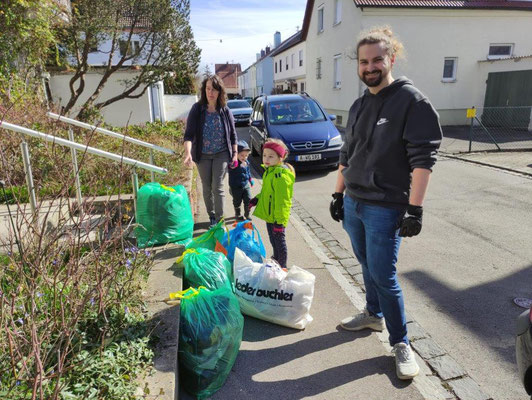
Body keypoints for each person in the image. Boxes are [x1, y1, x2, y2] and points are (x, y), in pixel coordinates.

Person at [329, 27, 442, 380]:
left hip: (385, 208)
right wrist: (337, 193)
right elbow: (348, 153)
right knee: (365, 263)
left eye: (377, 59)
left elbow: (423, 160)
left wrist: (415, 209)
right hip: (354, 203)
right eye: (364, 61)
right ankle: (372, 315)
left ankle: (401, 342)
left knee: (384, 275)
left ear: (391, 58)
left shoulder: (411, 101)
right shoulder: (360, 103)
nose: (370, 67)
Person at [183, 75, 238, 226]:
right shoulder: (197, 109)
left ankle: (220, 220)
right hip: (203, 155)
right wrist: (188, 153)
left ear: (220, 92)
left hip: (221, 154)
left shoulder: (225, 111)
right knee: (206, 187)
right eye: (208, 89)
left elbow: (233, 135)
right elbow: (188, 135)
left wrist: (234, 154)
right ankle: (211, 215)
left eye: (214, 89)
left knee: (217, 186)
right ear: (204, 90)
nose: (210, 92)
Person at [249, 139, 295, 269]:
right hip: (270, 216)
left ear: (280, 158)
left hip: (277, 217)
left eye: (271, 156)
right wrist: (256, 200)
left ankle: (282, 267)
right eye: (264, 155)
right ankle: (276, 261)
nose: (266, 159)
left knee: (279, 243)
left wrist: (280, 222)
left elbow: (283, 202)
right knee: (273, 241)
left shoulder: (280, 176)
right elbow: (267, 193)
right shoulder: (270, 171)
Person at [228, 140, 254, 221]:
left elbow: (248, 171)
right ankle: (238, 214)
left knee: (248, 199)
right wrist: (234, 162)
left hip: (245, 185)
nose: (244, 157)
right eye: (242, 155)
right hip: (236, 186)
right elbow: (230, 167)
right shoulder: (233, 163)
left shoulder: (246, 162)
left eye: (246, 155)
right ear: (236, 154)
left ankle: (247, 214)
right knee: (237, 201)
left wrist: (250, 179)